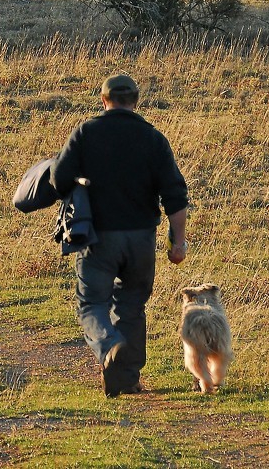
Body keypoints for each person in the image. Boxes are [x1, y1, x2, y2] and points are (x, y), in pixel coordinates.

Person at [52, 74, 189, 397]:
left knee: (92, 303)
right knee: (132, 305)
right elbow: (175, 196)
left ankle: (108, 344)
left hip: (98, 239)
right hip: (141, 239)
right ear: (135, 101)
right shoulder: (153, 138)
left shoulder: (86, 132)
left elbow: (58, 180)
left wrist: (81, 182)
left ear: (104, 100)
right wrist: (178, 243)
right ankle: (126, 380)